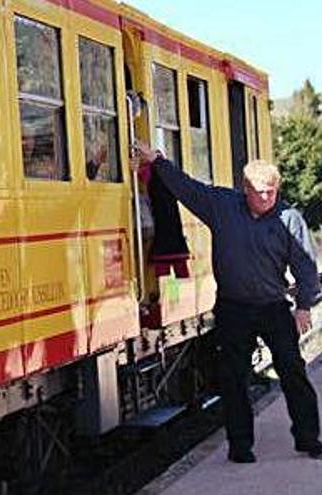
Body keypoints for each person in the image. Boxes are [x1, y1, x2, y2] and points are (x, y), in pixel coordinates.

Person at [132, 141, 322, 463]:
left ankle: (308, 438)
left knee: (293, 371)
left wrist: (304, 306)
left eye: (272, 192)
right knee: (233, 378)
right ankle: (240, 445)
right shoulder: (222, 205)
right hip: (233, 307)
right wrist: (158, 163)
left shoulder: (289, 218)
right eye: (260, 191)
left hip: (273, 306)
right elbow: (187, 189)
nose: (267, 198)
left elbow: (306, 265)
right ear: (245, 188)